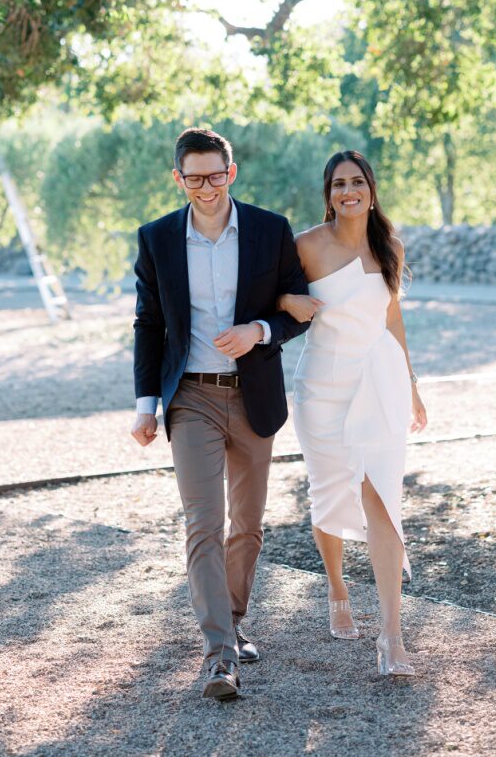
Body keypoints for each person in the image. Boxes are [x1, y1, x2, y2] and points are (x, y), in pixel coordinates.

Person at [130, 127, 310, 700]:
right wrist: (145, 405)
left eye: (215, 175)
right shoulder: (157, 238)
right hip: (192, 399)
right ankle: (219, 658)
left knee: (248, 526)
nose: (205, 187)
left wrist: (258, 331)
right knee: (202, 523)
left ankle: (233, 620)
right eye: (193, 177)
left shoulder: (269, 230)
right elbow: (149, 325)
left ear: (231, 174)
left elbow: (297, 307)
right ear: (177, 178)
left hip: (253, 393)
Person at [279, 150, 428, 676]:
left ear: (370, 189)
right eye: (339, 183)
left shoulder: (389, 245)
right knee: (328, 490)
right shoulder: (305, 246)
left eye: (357, 182)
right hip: (321, 388)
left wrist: (411, 386)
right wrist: (286, 303)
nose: (349, 191)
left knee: (382, 499)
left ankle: (392, 635)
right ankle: (337, 585)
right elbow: (272, 297)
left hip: (380, 381)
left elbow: (394, 319)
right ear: (328, 193)